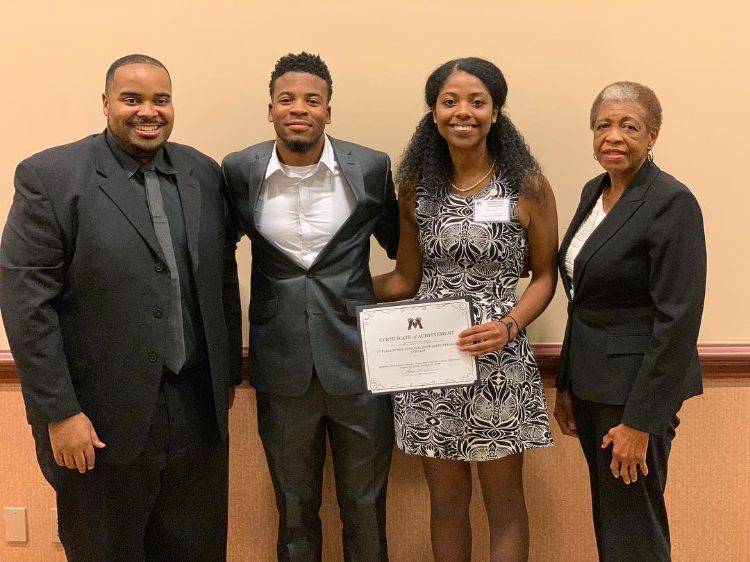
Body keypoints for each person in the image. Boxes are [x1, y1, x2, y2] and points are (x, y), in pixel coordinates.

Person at [0, 54, 242, 561]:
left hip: (196, 410)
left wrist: (223, 384)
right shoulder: (51, 177)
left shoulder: (203, 172)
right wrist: (60, 412)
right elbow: (27, 307)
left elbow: (221, 280)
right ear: (106, 102)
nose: (147, 111)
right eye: (131, 99)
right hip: (98, 420)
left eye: (160, 99)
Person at [374, 57, 558, 561]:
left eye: (477, 102)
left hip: (501, 361)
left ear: (496, 112)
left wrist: (510, 324)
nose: (463, 112)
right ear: (433, 113)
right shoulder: (415, 188)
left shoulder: (529, 186)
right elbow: (405, 279)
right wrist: (331, 291)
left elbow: (545, 275)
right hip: (432, 362)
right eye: (449, 101)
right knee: (447, 501)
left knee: (505, 500)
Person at [222, 52, 399, 561]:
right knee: (294, 513)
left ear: (328, 110)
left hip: (362, 367)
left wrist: (362, 299)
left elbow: (405, 256)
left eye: (311, 100)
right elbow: (213, 257)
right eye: (287, 99)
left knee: (365, 509)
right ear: (270, 109)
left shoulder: (369, 167)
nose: (298, 108)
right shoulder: (239, 171)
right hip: (281, 370)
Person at [554, 82, 706, 561]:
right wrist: (566, 384)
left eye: (628, 126)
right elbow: (583, 301)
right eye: (603, 125)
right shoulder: (594, 191)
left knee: (634, 531)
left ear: (653, 135)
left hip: (636, 396)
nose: (613, 136)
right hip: (593, 387)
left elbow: (678, 318)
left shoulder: (670, 201)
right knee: (613, 523)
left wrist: (640, 422)